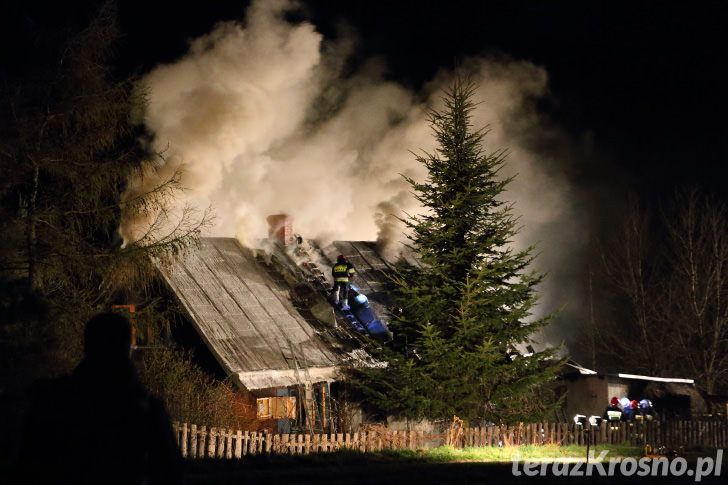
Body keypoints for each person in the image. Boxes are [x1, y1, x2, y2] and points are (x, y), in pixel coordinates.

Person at [14, 312, 184, 485]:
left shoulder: (54, 402)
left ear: (86, 346)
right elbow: (170, 472)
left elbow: (27, 467)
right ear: (127, 350)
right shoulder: (147, 409)